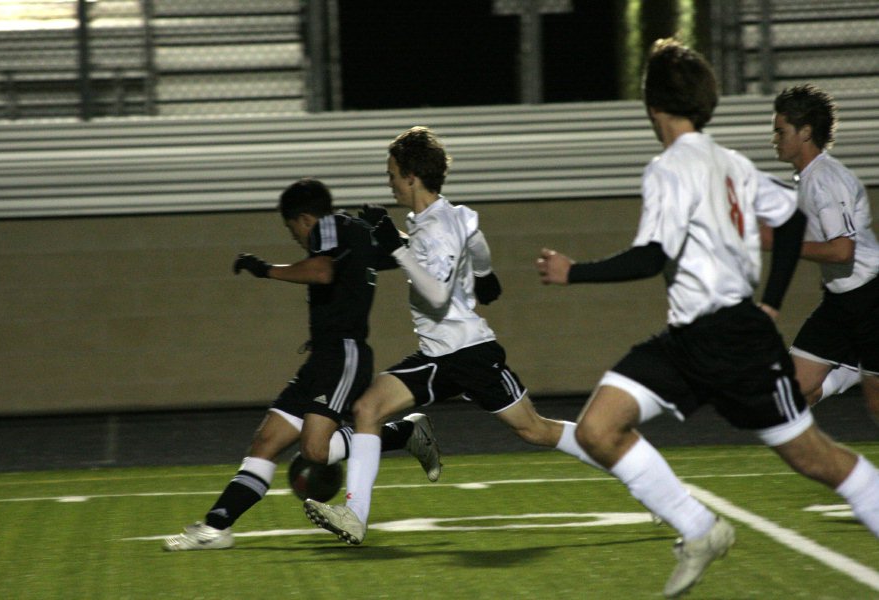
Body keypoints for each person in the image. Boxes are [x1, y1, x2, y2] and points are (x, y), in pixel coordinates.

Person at [536, 39, 879, 598]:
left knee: (819, 461)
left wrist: (573, 273)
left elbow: (652, 257)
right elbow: (791, 224)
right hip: (689, 338)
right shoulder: (732, 162)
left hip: (734, 341)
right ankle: (701, 529)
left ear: (652, 106)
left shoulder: (670, 167)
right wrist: (772, 298)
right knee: (599, 427)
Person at [302, 126, 607, 546]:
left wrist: (394, 247)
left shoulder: (438, 226)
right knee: (369, 407)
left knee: (535, 431)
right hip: (438, 355)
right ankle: (354, 515)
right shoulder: (444, 218)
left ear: (411, 176)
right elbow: (476, 240)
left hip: (469, 353)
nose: (388, 181)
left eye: (391, 173)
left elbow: (439, 295)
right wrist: (484, 274)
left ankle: (626, 463)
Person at [163, 178, 441, 551]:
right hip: (322, 358)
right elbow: (406, 251)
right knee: (265, 442)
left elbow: (321, 271)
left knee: (315, 451)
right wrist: (392, 234)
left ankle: (401, 434)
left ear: (305, 219)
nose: (295, 237)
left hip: (343, 354)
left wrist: (264, 269)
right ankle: (216, 528)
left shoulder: (329, 227)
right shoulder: (353, 232)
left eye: (291, 227)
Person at [770, 84, 879, 419]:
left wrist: (783, 245)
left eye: (780, 131)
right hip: (841, 301)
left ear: (805, 132)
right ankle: (850, 371)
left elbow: (842, 251)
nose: (774, 138)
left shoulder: (824, 179)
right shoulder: (808, 178)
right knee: (792, 392)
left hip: (871, 300)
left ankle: (853, 370)